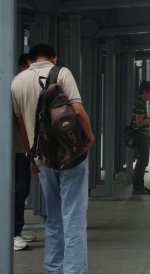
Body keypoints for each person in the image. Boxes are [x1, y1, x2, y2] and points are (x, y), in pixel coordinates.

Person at [12, 44, 94, 273]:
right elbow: (77, 110)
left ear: (29, 61)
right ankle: (74, 270)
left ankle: (53, 268)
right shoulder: (62, 73)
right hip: (70, 157)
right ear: (53, 58)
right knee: (74, 218)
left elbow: (20, 124)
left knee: (54, 218)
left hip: (42, 158)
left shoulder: (17, 82)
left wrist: (30, 154)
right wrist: (89, 137)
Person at [13, 54, 35, 251]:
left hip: (22, 149)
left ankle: (15, 230)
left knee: (23, 190)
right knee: (18, 191)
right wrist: (30, 149)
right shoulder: (15, 87)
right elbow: (20, 122)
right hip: (18, 149)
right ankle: (13, 233)